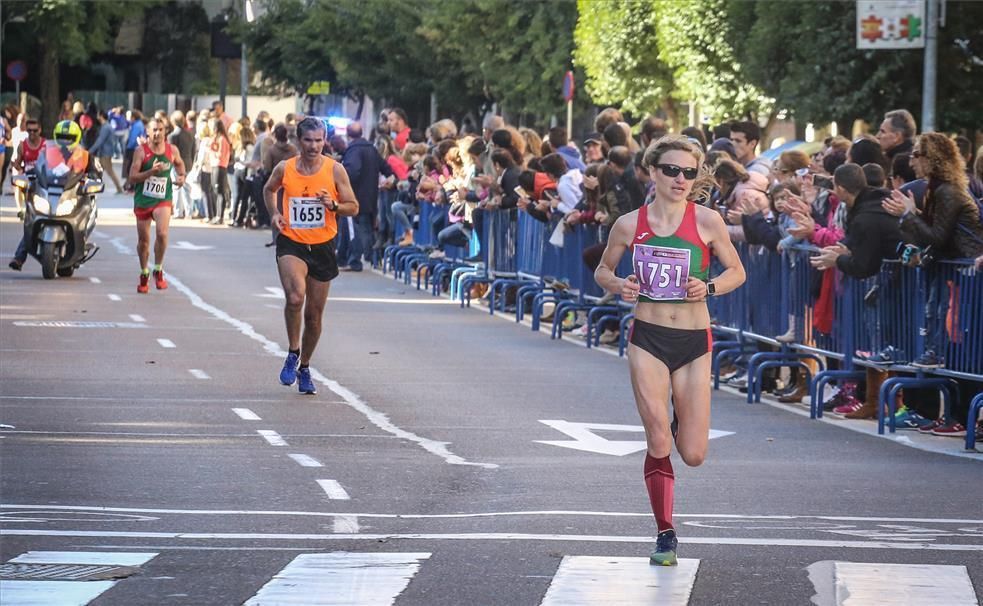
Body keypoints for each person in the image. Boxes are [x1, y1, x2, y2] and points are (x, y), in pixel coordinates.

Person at [594, 135, 745, 566]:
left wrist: (710, 286)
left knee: (693, 453)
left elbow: (737, 271)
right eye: (672, 170)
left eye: (689, 172)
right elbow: (604, 269)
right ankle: (665, 532)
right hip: (649, 337)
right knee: (657, 436)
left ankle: (679, 413)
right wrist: (619, 284)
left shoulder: (708, 221)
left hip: (694, 342)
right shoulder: (628, 224)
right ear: (653, 172)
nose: (681, 179)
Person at [263, 117, 359, 394]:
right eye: (308, 140)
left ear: (325, 140)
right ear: (298, 140)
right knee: (295, 297)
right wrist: (275, 214)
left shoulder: (335, 170)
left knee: (314, 316)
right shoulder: (286, 168)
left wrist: (335, 205)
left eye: (319, 140)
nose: (314, 146)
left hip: (323, 245)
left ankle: (305, 366)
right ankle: (293, 351)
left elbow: (353, 206)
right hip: (291, 241)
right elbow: (269, 190)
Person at [129, 118, 186, 293]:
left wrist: (181, 176)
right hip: (143, 200)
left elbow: (180, 164)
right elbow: (132, 177)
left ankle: (158, 269)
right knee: (144, 241)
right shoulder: (141, 151)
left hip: (163, 198)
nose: (157, 133)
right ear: (147, 132)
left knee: (162, 234)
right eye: (154, 130)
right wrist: (151, 172)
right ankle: (144, 272)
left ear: (165, 132)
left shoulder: (172, 150)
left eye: (161, 130)